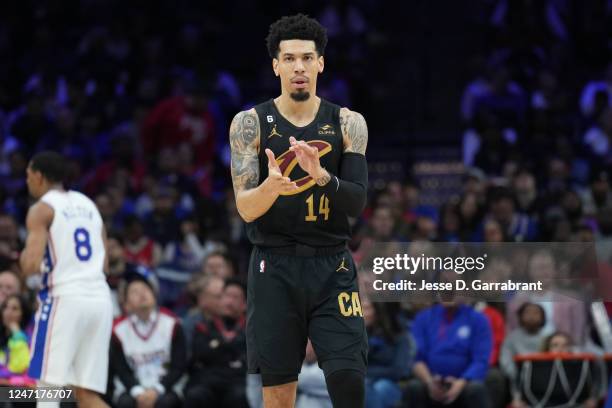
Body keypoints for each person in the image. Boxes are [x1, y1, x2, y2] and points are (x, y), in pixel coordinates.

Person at [229, 14, 369, 408]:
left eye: (307, 58)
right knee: (278, 397)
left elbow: (356, 202)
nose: (299, 68)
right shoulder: (249, 124)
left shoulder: (348, 123)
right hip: (274, 267)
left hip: (332, 267)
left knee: (348, 381)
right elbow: (246, 210)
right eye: (289, 59)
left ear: (321, 63)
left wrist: (322, 176)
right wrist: (271, 187)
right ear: (276, 65)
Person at [19, 151, 113, 408]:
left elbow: (30, 266)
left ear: (39, 176)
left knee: (48, 390)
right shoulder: (89, 205)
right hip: (100, 300)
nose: (26, 181)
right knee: (86, 396)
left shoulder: (41, 209)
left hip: (65, 299)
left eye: (28, 176)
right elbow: (104, 264)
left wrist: (21, 256)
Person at [111, 273, 185, 408]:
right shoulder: (118, 331)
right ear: (126, 304)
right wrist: (138, 392)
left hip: (166, 387)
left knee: (165, 403)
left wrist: (157, 390)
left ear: (154, 296)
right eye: (135, 292)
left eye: (145, 289)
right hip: (132, 388)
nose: (142, 294)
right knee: (126, 403)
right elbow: (121, 370)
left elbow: (178, 367)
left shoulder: (173, 324)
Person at [406, 301, 492, 408]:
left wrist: (461, 382)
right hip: (431, 380)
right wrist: (429, 382)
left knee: (476, 389)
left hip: (464, 383)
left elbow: (481, 360)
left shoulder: (478, 319)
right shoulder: (423, 318)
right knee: (414, 388)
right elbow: (416, 358)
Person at [183, 278, 248, 407]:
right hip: (207, 381)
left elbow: (249, 359)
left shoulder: (251, 329)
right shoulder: (203, 326)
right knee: (195, 395)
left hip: (238, 382)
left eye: (235, 297)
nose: (229, 301)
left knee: (241, 396)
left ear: (244, 304)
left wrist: (218, 346)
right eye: (226, 296)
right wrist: (232, 352)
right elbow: (201, 354)